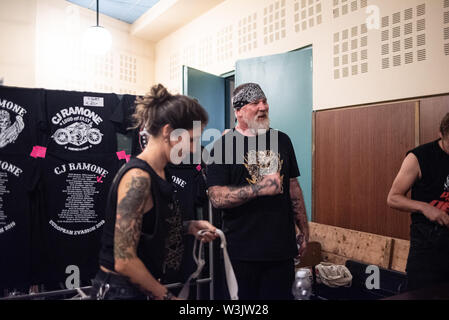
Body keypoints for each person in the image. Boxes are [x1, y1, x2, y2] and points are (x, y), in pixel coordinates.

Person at [92, 84, 218, 300]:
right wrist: (166, 296)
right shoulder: (137, 178)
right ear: (168, 132)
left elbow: (149, 227)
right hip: (119, 292)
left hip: (142, 288)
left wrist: (189, 227)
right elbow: (124, 260)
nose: (193, 149)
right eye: (191, 140)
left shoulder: (162, 172)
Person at [206, 83, 309, 300]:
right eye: (255, 103)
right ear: (238, 111)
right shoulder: (222, 147)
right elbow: (216, 197)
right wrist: (258, 189)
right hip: (242, 254)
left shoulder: (282, 140)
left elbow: (293, 187)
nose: (263, 107)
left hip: (281, 251)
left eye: (264, 101)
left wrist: (304, 230)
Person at [387, 112, 449, 291]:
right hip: (426, 250)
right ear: (440, 134)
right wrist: (424, 208)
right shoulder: (418, 157)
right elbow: (393, 198)